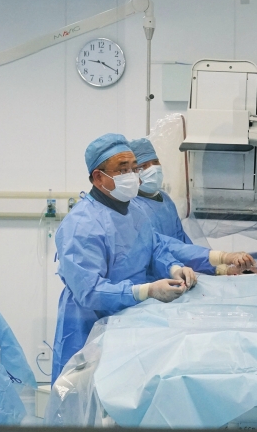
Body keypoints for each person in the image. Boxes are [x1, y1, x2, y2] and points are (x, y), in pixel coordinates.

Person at [52, 134, 198, 382]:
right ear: (99, 177)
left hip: (130, 325)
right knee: (88, 396)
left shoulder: (135, 211)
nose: (132, 176)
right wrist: (147, 291)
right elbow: (90, 291)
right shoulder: (81, 225)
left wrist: (174, 268)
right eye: (122, 170)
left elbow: (154, 248)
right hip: (90, 329)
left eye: (133, 168)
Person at [128, 137, 256, 276]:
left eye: (155, 162)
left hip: (178, 275)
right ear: (132, 172)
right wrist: (222, 257)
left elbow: (183, 245)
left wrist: (222, 269)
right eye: (144, 166)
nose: (153, 169)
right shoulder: (132, 209)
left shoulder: (165, 200)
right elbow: (164, 247)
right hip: (154, 278)